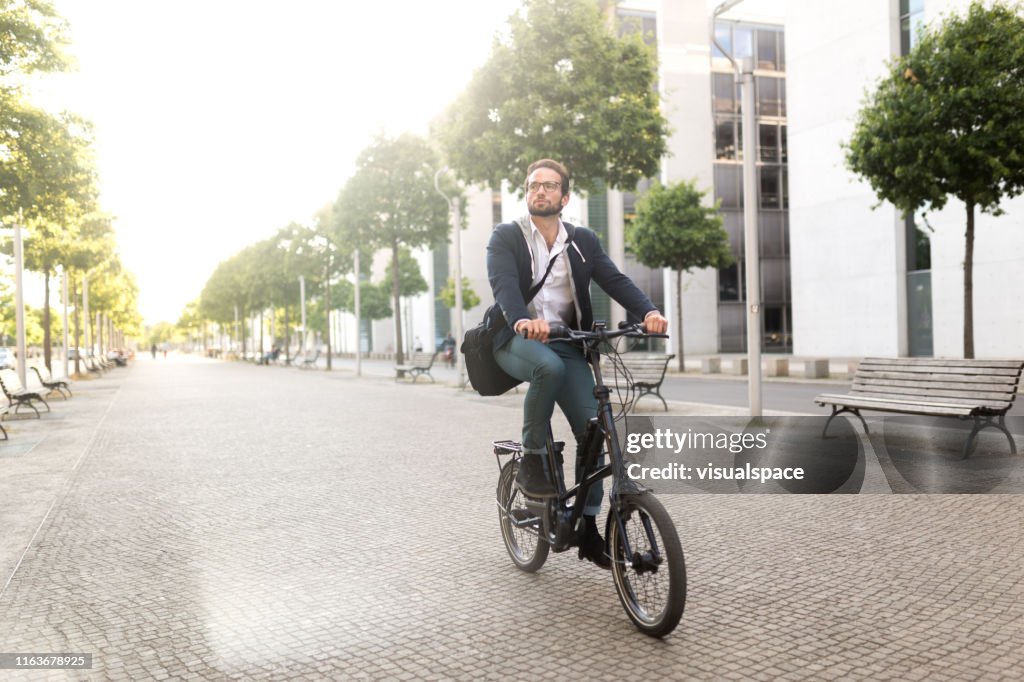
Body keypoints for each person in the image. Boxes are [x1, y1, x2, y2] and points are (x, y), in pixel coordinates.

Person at [487, 159, 668, 568]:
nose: (541, 191)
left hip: (567, 342)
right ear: (527, 192)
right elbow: (504, 285)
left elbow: (614, 279)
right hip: (517, 338)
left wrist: (649, 312)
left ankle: (586, 528)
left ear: (565, 197)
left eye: (550, 186)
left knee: (596, 433)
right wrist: (521, 318)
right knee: (546, 368)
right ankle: (533, 458)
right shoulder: (506, 236)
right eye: (534, 185)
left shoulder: (583, 239)